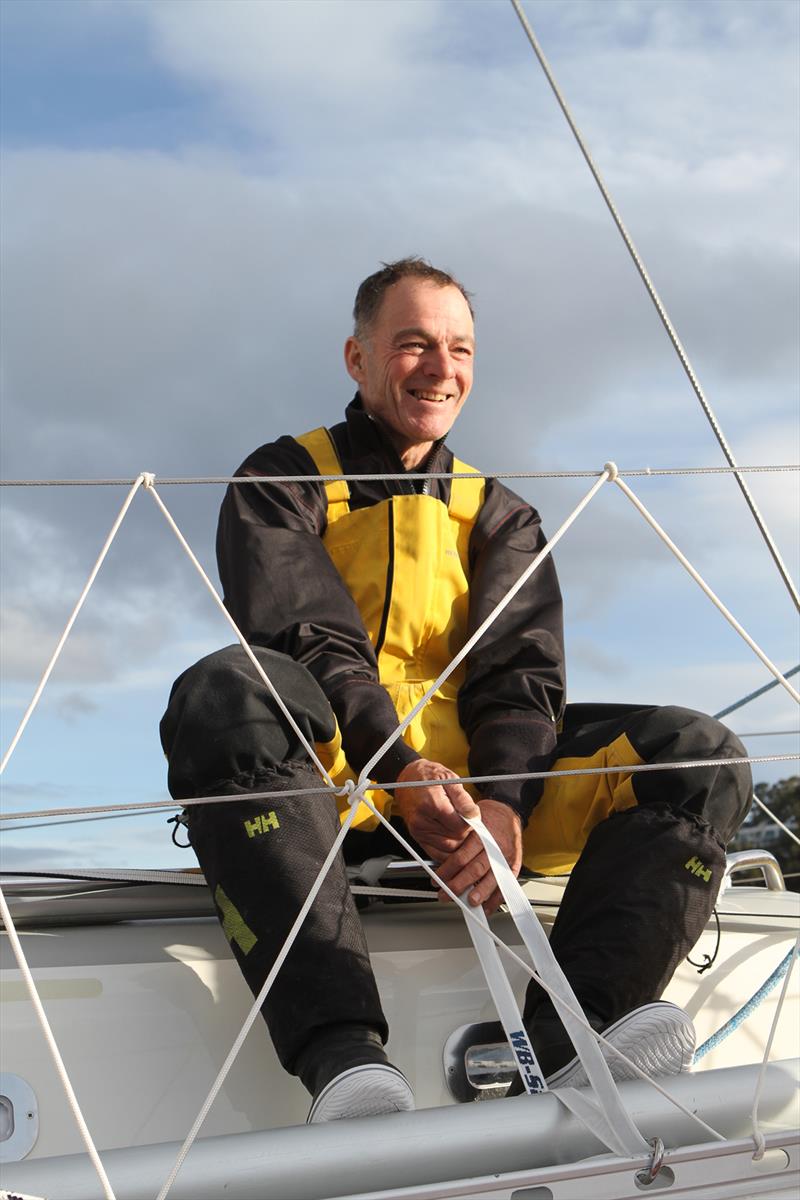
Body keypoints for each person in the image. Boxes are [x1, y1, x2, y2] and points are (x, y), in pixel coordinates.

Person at [160, 257, 751, 1121]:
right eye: (413, 345)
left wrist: (505, 804)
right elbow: (312, 639)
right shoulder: (280, 481)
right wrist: (400, 768)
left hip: (476, 809)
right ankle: (346, 1061)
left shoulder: (499, 512)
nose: (441, 369)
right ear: (358, 359)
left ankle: (576, 1038)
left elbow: (520, 678)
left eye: (459, 347)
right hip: (339, 790)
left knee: (700, 755)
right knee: (226, 691)